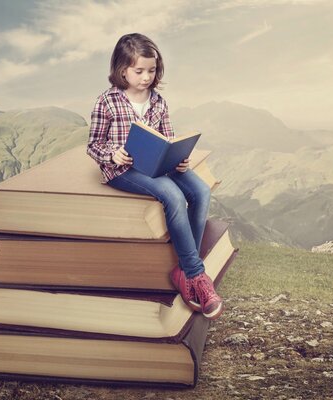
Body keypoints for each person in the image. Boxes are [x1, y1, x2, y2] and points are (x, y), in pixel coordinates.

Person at [86, 33, 223, 320]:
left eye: (151, 70)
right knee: (172, 195)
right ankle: (196, 276)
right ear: (122, 69)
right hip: (123, 170)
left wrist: (179, 158)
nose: (146, 77)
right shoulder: (107, 102)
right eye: (139, 71)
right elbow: (94, 144)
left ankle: (185, 270)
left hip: (157, 164)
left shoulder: (159, 102)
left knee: (200, 191)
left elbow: (168, 139)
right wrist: (112, 154)